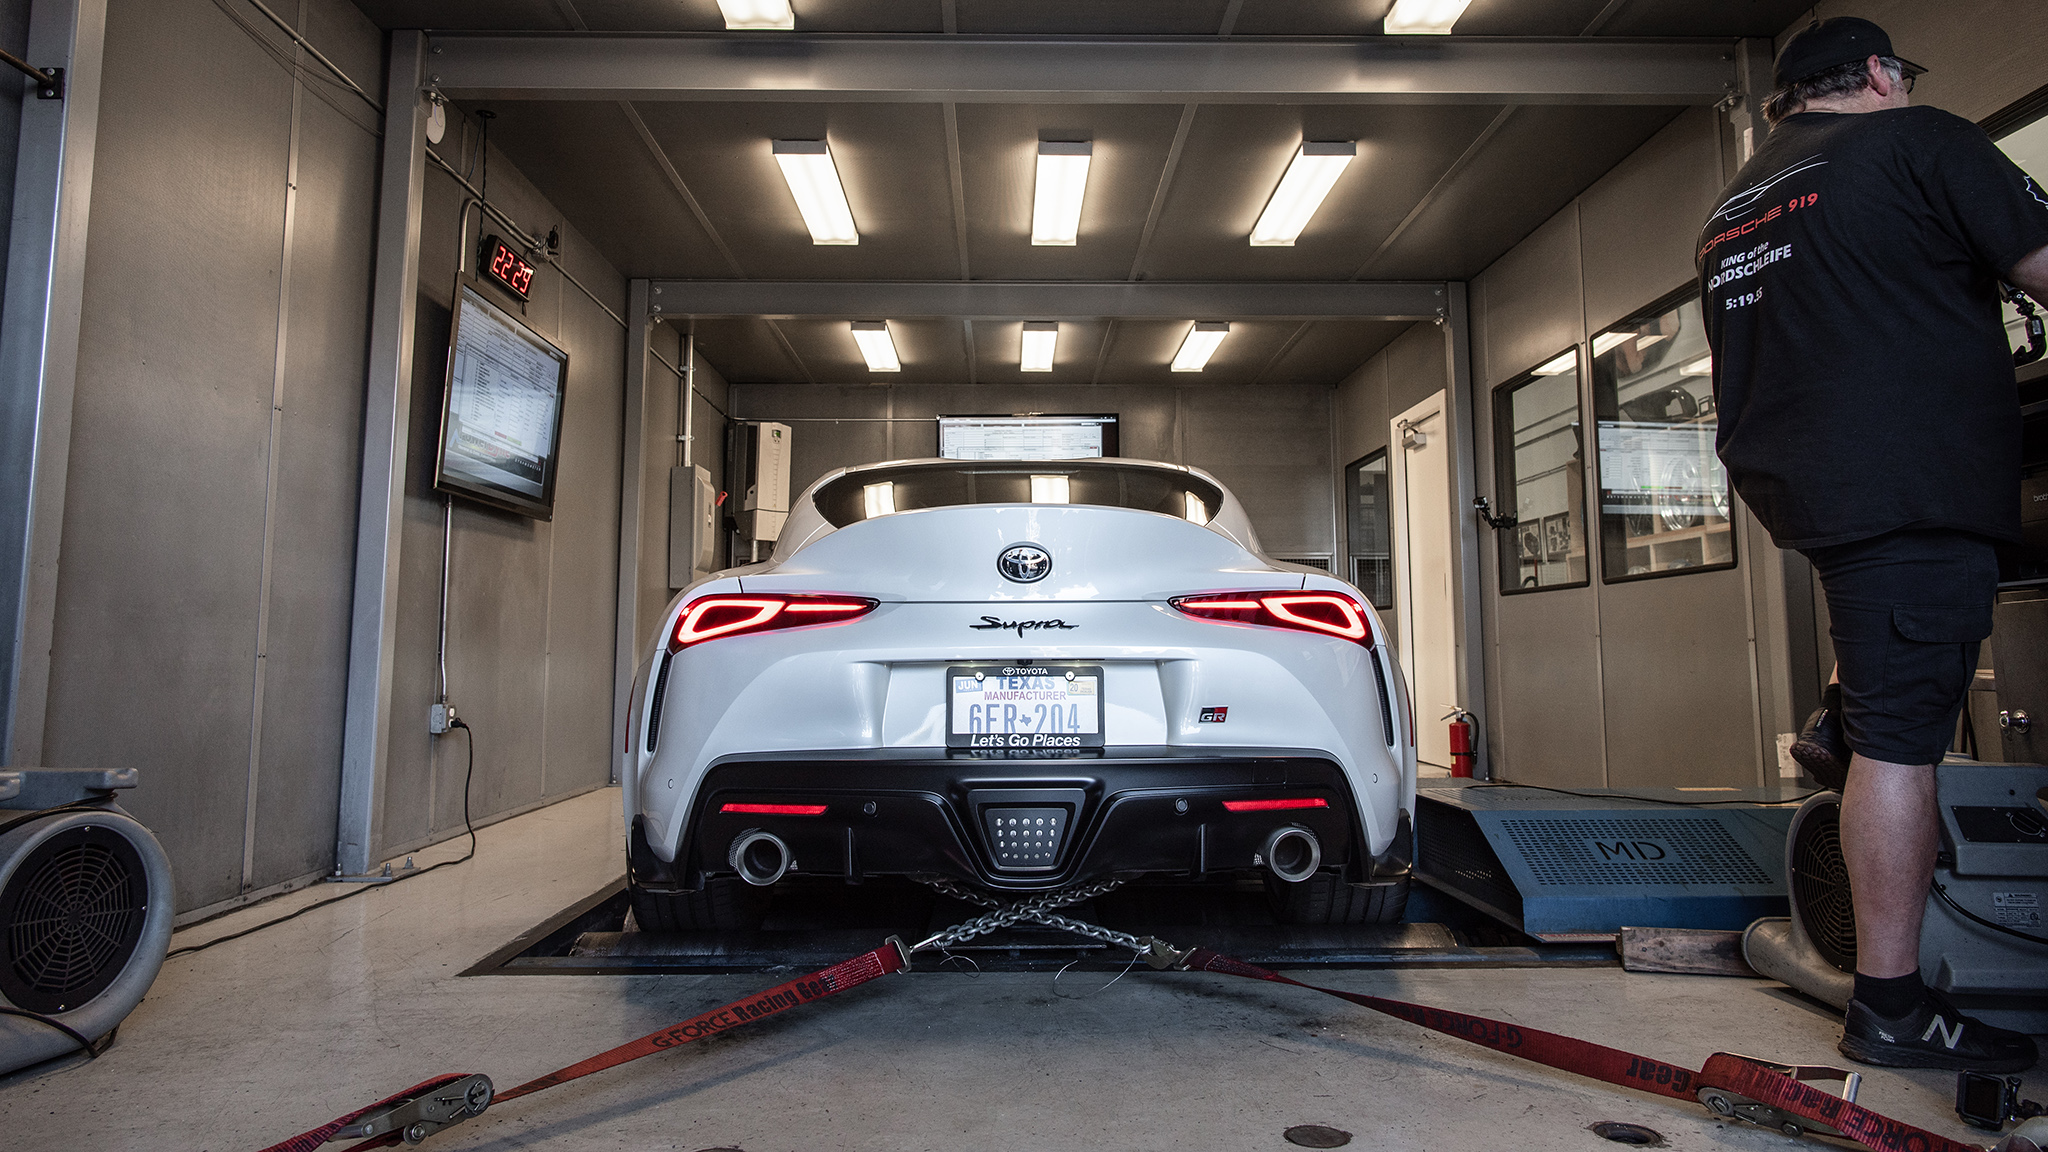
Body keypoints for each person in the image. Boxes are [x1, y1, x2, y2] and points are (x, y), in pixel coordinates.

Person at [1698, 16, 2048, 1073]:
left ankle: (1842, 709)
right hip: (1906, 484)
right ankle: (1891, 1007)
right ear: (1882, 76)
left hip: (1813, 486)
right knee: (1905, 741)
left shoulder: (1733, 203)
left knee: (1883, 662)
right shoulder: (1919, 140)